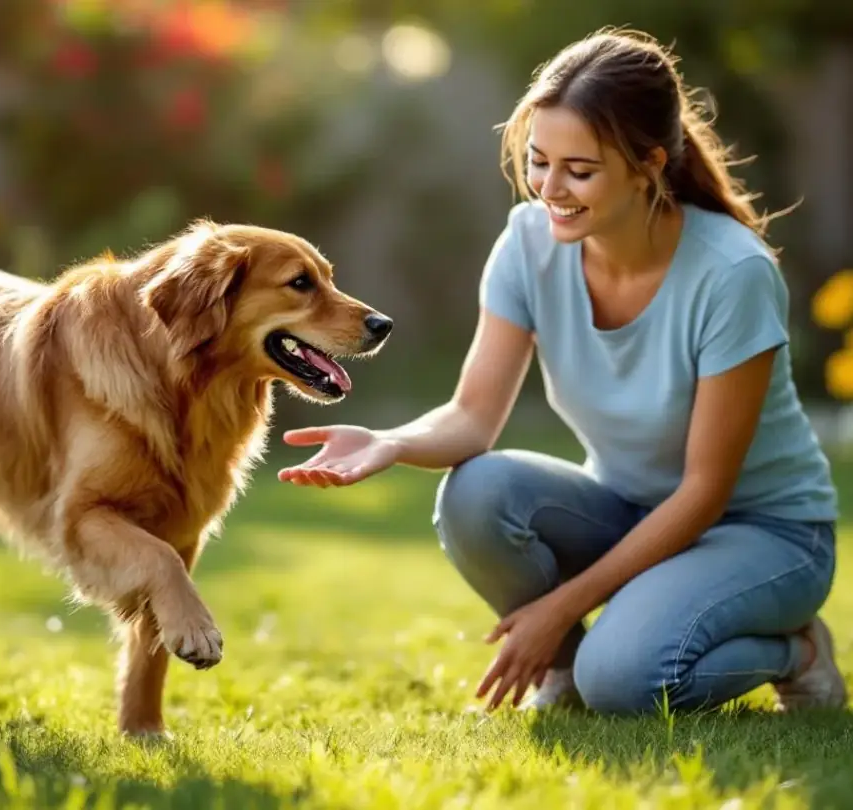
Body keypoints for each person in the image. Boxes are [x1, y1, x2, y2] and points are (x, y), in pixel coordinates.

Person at [277, 28, 846, 715]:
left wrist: (560, 606)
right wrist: (392, 442)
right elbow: (472, 416)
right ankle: (568, 672)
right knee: (477, 492)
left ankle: (797, 649)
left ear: (650, 165)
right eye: (539, 161)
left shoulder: (732, 273)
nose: (550, 188)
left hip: (761, 531)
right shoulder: (527, 243)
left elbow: (704, 491)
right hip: (629, 506)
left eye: (580, 170)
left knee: (630, 684)